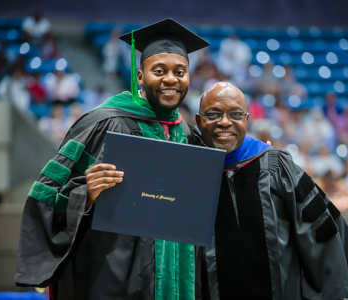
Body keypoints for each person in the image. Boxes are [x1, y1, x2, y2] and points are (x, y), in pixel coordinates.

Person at [15, 19, 209, 299]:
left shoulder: (189, 135)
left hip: (178, 278)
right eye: (159, 70)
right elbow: (46, 195)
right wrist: (86, 195)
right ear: (140, 77)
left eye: (180, 71)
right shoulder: (103, 123)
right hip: (115, 278)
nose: (171, 79)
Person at [195, 82, 348, 300]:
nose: (224, 122)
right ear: (199, 121)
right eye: (213, 114)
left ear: (246, 119)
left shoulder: (275, 165)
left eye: (235, 114)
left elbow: (319, 228)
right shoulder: (193, 172)